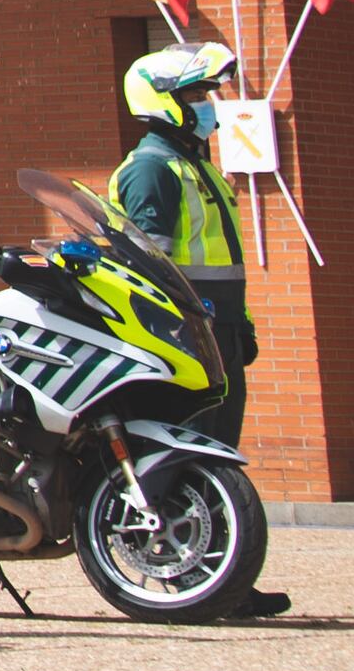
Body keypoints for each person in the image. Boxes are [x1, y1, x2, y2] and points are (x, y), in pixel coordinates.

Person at [106, 38, 292, 619]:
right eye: (196, 93)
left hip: (220, 332)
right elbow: (150, 269)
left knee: (216, 456)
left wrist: (244, 326)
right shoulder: (151, 171)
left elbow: (224, 266)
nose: (208, 104)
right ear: (163, 100)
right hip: (184, 339)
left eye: (207, 93)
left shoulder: (196, 168)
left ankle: (224, 579)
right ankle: (201, 578)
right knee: (188, 458)